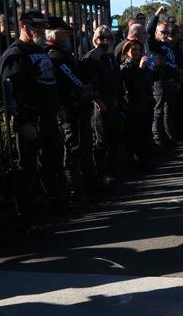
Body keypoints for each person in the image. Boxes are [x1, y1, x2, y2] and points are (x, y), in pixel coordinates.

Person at [0, 11, 64, 224]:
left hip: (48, 118)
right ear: (23, 26)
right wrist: (23, 121)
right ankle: (28, 217)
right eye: (35, 26)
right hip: (30, 121)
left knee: (52, 163)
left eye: (42, 27)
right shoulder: (15, 54)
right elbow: (11, 92)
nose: (40, 31)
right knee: (27, 170)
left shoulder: (41, 50)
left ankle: (54, 205)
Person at [47, 17, 95, 199]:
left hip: (77, 107)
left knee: (80, 146)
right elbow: (74, 80)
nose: (68, 34)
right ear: (54, 33)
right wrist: (84, 87)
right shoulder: (55, 55)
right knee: (72, 148)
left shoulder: (64, 53)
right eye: (64, 30)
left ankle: (83, 183)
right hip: (68, 110)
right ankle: (75, 188)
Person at [81, 25, 122, 184]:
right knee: (101, 140)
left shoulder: (110, 56)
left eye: (109, 38)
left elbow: (115, 78)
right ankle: (101, 173)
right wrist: (98, 100)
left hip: (113, 101)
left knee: (114, 136)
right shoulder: (92, 57)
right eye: (102, 38)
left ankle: (113, 169)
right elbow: (89, 81)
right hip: (100, 105)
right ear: (95, 39)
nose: (106, 41)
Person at [147, 6, 179, 147]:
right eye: (162, 32)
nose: (165, 34)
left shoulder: (168, 45)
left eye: (167, 32)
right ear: (156, 33)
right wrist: (157, 14)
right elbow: (148, 31)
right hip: (159, 83)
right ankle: (158, 140)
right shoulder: (154, 44)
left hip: (170, 82)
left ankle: (169, 137)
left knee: (169, 111)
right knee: (158, 112)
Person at [119, 40, 153, 169]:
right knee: (135, 135)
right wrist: (141, 68)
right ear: (127, 52)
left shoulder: (141, 65)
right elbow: (131, 82)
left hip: (144, 103)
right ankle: (135, 162)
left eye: (139, 50)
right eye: (133, 50)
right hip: (132, 105)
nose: (137, 52)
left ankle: (145, 159)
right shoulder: (124, 67)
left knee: (145, 133)